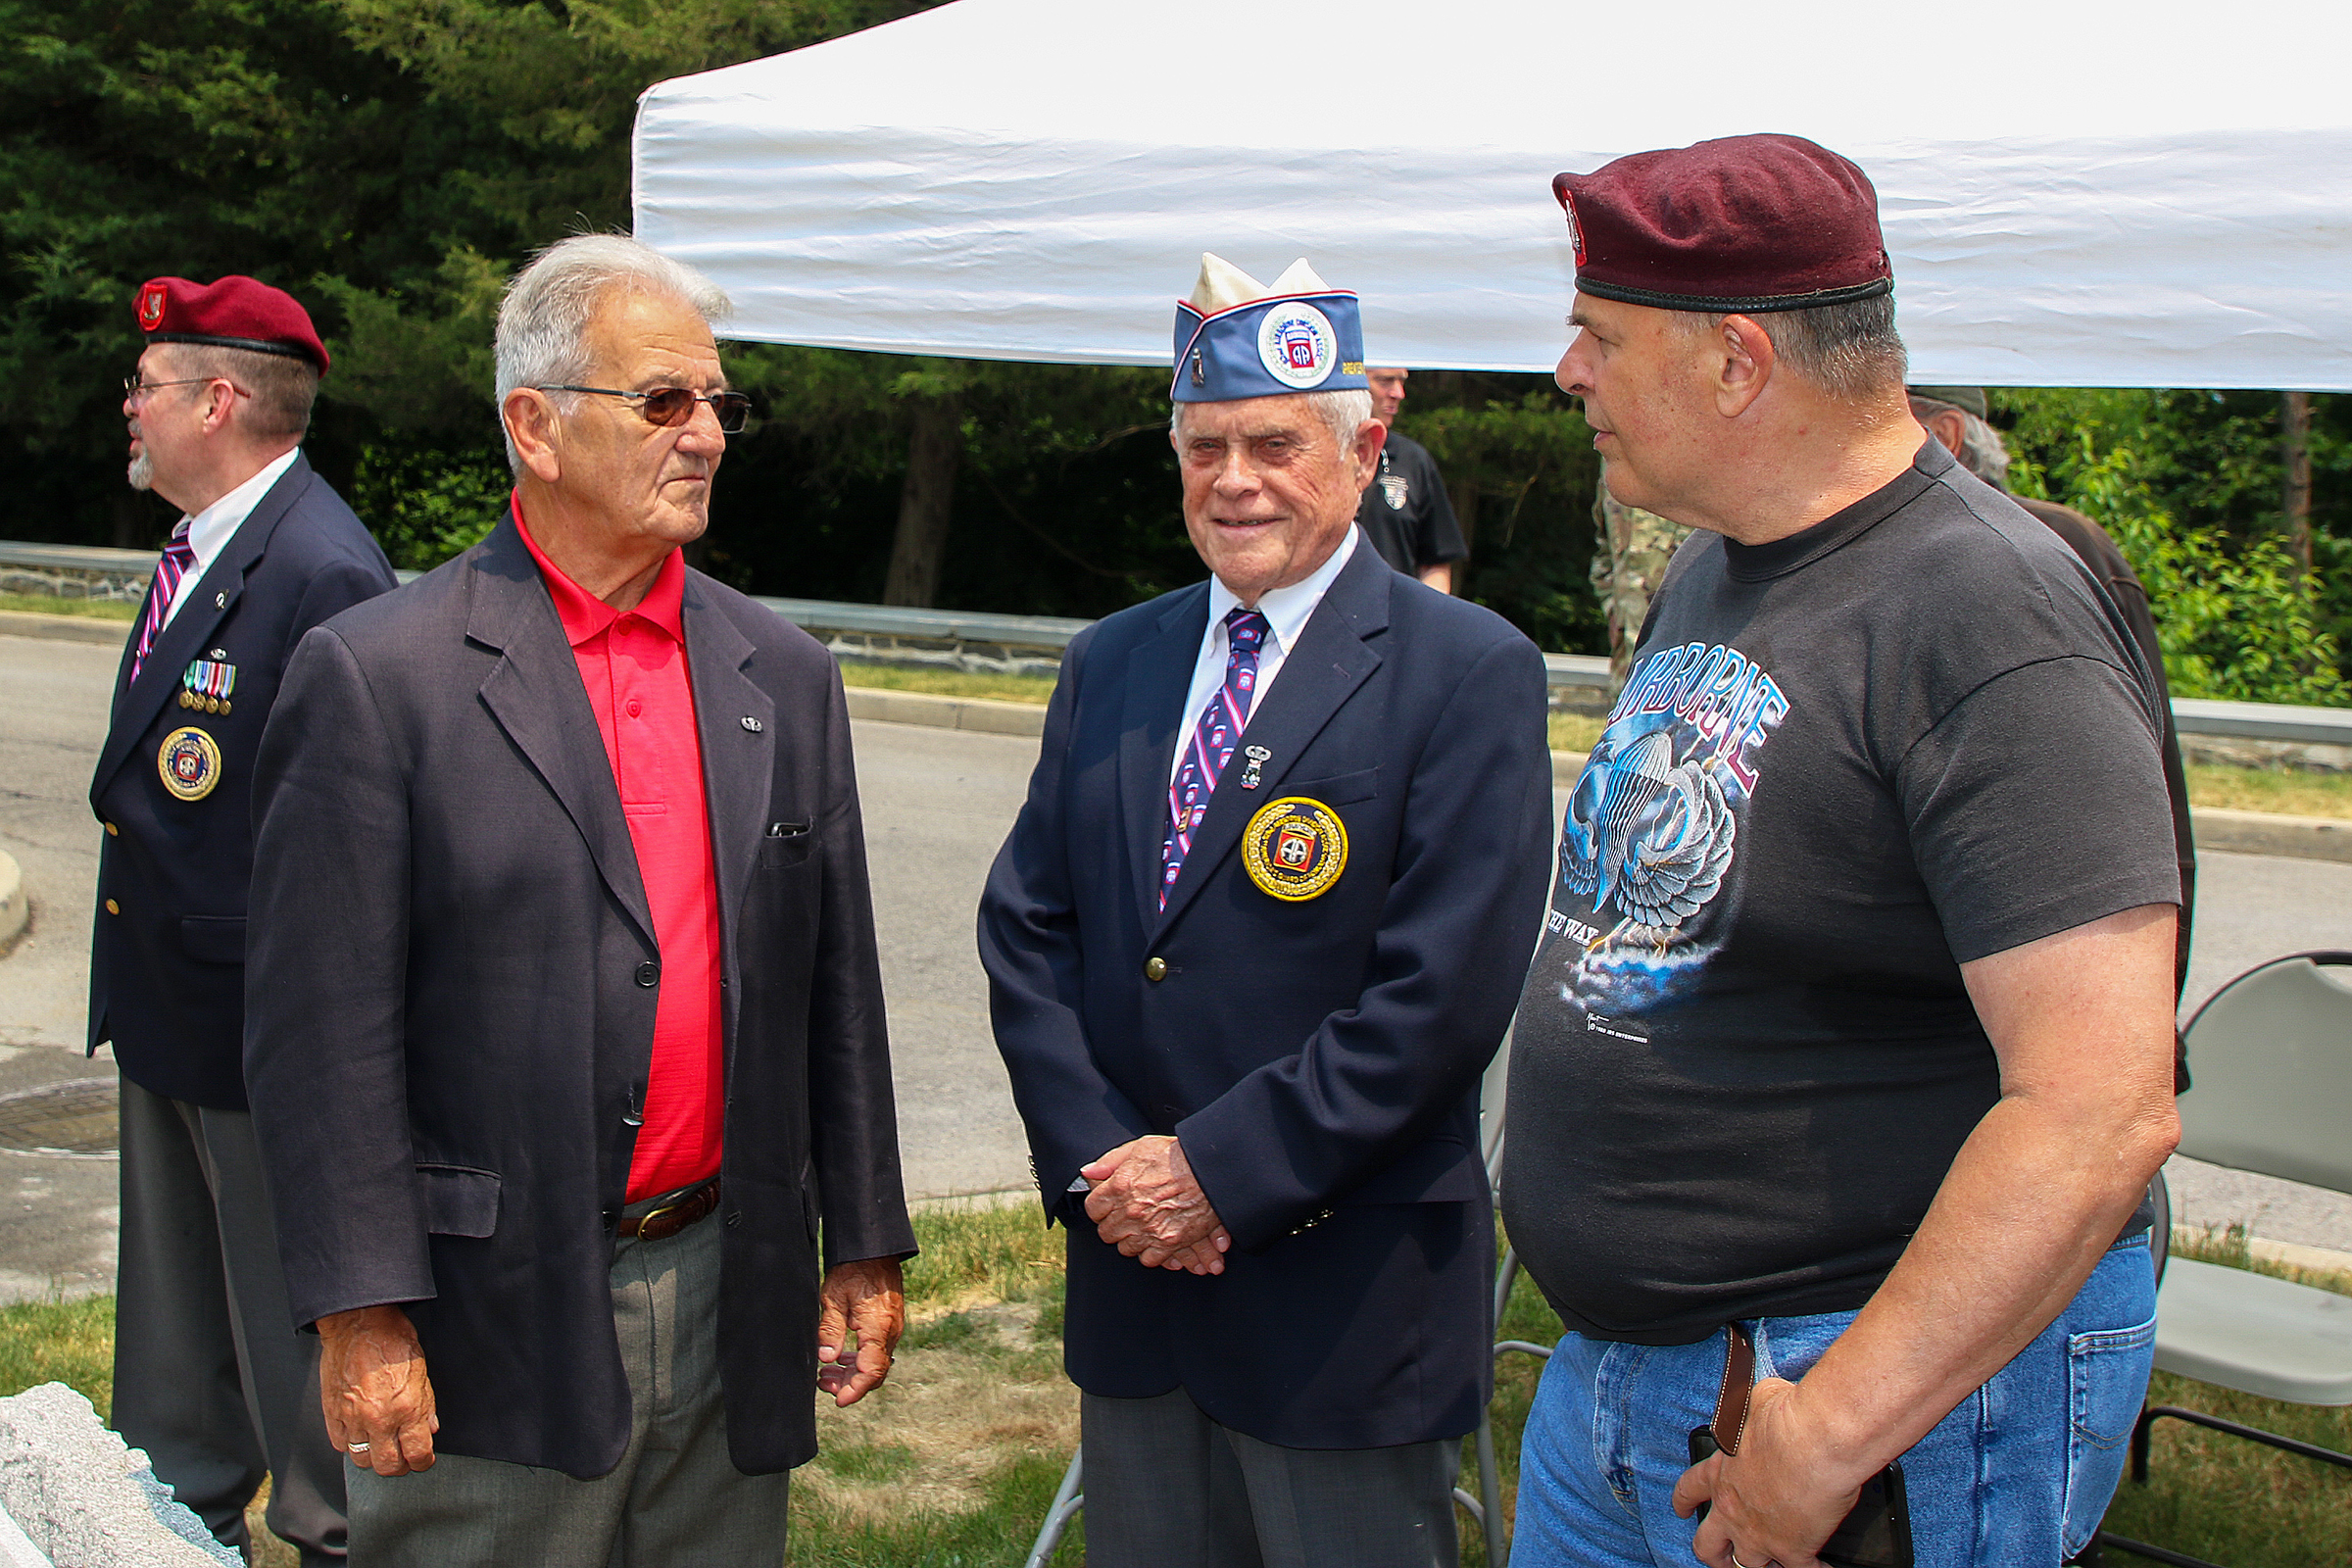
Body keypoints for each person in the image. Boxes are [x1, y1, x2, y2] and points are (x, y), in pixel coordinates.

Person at [1504, 135, 2182, 1568]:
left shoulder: (1988, 612)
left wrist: (1836, 1427)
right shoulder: (1716, 560)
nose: (1568, 370)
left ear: (1739, 362)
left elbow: (2100, 1106)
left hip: (1853, 1396)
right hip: (1635, 1375)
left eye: (1603, 336)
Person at [242, 234, 914, 1568]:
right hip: (484, 1308)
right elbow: (323, 1038)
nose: (708, 436)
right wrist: (361, 1316)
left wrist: (867, 1242)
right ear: (535, 429)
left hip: (731, 1286)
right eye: (665, 401)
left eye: (720, 403)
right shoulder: (380, 676)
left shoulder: (778, 671)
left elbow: (833, 985)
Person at [978, 253, 1552, 1568]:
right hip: (1135, 1279)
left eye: (1275, 444)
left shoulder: (1467, 673)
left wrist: (1217, 1174)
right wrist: (1106, 1169)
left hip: (1338, 1298)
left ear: (1364, 452)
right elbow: (1027, 929)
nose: (1234, 478)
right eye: (1205, 446)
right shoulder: (1112, 659)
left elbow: (1440, 996)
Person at [91, 274, 397, 1566]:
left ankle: (338, 1541)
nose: (129, 405)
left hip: (264, 1049)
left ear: (218, 401)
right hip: (175, 1015)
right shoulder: (209, 548)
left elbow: (351, 850)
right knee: (179, 1367)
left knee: (295, 1356)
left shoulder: (320, 569)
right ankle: (177, 1529)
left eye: (147, 385)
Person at [1909, 385, 2197, 1017]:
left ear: (1948, 436)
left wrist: (2147, 1016)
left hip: (2030, 997)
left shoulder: (2052, 545)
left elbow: (2147, 795)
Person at [1355, 366, 1467, 592]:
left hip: (1394, 620)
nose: (1398, 393)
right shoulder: (1315, 454)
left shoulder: (1412, 460)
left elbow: (1436, 561)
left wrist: (1428, 622)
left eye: (1402, 381)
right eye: (1385, 381)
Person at [1589, 486, 1691, 693]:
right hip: (1627, 665)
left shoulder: (1695, 465)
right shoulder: (1615, 466)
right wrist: (1614, 611)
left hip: (1686, 665)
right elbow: (1605, 553)